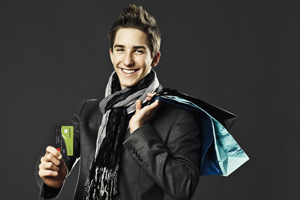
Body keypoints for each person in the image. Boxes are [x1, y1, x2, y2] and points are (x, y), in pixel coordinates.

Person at [36, 4, 201, 200]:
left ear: (154, 58)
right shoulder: (86, 112)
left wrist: (139, 131)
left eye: (138, 51)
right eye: (120, 49)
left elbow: (184, 186)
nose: (127, 60)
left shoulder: (178, 118)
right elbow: (61, 155)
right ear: (111, 55)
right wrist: (52, 175)